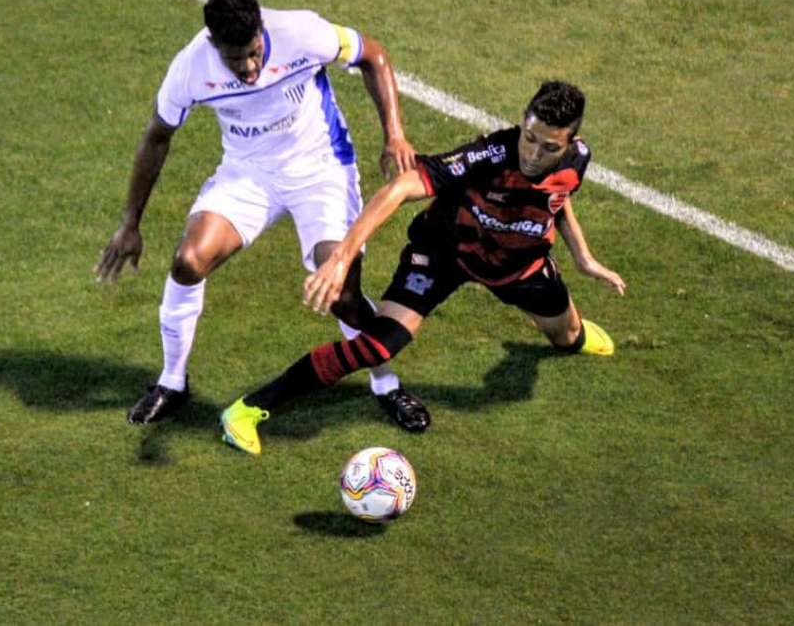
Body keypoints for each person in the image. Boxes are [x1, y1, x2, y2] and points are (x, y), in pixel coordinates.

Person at [219, 80, 626, 454]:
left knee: (568, 339)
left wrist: (582, 257)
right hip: (445, 253)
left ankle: (570, 333)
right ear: (522, 121)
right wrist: (342, 256)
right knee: (379, 343)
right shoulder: (490, 155)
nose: (534, 154)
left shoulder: (578, 159)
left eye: (549, 148)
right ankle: (249, 409)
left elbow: (559, 199)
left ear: (571, 142)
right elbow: (400, 188)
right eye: (530, 137)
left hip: (519, 266)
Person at [94, 0, 431, 432]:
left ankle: (385, 383)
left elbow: (375, 55)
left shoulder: (301, 32)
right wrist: (129, 224)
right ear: (214, 44)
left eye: (255, 53)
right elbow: (157, 136)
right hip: (248, 173)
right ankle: (171, 381)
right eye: (237, 60)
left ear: (262, 31)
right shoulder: (191, 68)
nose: (251, 68)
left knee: (341, 285)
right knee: (188, 261)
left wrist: (395, 134)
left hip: (321, 166)